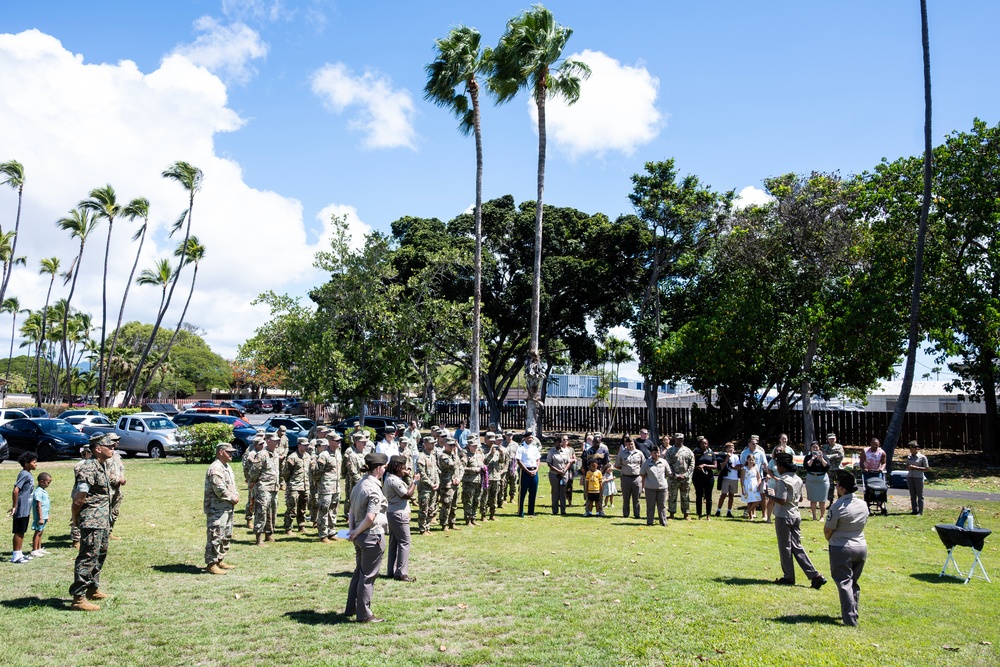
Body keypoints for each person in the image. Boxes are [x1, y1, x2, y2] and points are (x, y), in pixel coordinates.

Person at [767, 453, 826, 589]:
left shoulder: (782, 481)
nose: (777, 468)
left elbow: (782, 500)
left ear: (782, 467)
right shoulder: (798, 479)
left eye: (778, 466)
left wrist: (769, 495)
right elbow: (800, 498)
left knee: (785, 548)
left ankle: (788, 577)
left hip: (783, 516)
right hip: (795, 515)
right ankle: (815, 576)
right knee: (797, 546)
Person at [69, 435, 115, 611]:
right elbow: (79, 498)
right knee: (88, 556)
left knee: (100, 553)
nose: (112, 448)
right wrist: (75, 518)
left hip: (102, 519)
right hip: (92, 519)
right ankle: (78, 598)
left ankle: (92, 588)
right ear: (98, 448)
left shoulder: (101, 464)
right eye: (109, 446)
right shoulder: (88, 467)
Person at [344, 453, 389, 623]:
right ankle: (364, 615)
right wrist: (356, 531)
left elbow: (351, 512)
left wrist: (353, 531)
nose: (385, 470)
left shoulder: (359, 484)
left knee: (359, 572)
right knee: (368, 576)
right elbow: (370, 517)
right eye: (384, 467)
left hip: (360, 535)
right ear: (378, 468)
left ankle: (352, 608)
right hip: (371, 535)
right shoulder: (373, 488)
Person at [824, 470, 869, 626]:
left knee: (844, 583)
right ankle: (853, 612)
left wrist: (831, 540)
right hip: (861, 546)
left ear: (842, 488)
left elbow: (828, 530)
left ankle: (850, 619)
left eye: (837, 485)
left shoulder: (838, 506)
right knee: (853, 582)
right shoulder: (863, 504)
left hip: (842, 547)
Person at [204, 443, 240, 575]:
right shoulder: (215, 468)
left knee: (226, 535)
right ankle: (211, 564)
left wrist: (235, 494)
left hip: (227, 507)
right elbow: (219, 489)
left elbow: (231, 485)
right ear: (220, 452)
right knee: (216, 535)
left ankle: (220, 559)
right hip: (217, 508)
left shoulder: (226, 466)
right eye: (228, 452)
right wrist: (232, 497)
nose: (231, 454)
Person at [383, 455, 417, 582]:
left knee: (394, 543)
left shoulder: (389, 478)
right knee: (404, 542)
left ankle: (391, 571)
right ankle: (401, 573)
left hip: (392, 513)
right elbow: (407, 494)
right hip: (399, 514)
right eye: (403, 468)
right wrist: (415, 482)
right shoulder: (394, 481)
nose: (405, 470)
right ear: (397, 467)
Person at [250, 432, 280, 545]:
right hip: (263, 487)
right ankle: (259, 537)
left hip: (274, 487)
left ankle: (269, 533)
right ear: (268, 441)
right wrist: (254, 482)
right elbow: (254, 471)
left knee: (272, 511)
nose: (277, 442)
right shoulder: (262, 454)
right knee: (261, 511)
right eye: (275, 440)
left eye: (278, 440)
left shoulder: (276, 453)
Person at [9, 452, 37, 563]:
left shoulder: (28, 474)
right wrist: (15, 506)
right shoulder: (24, 474)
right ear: (26, 464)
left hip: (26, 508)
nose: (36, 464)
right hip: (21, 508)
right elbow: (15, 490)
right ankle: (15, 555)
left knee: (22, 531)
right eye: (34, 462)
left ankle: (20, 553)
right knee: (18, 531)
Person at [316, 431, 343, 542]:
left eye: (340, 440)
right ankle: (323, 534)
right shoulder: (324, 455)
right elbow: (316, 472)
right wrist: (320, 484)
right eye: (337, 441)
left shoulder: (338, 453)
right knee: (324, 510)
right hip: (326, 488)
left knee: (333, 510)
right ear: (330, 441)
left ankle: (331, 532)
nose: (339, 442)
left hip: (336, 487)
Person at [763, 434, 794, 524]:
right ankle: (768, 518)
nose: (779, 452)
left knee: (783, 499)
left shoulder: (785, 461)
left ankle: (781, 516)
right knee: (771, 500)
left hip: (784, 482)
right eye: (777, 451)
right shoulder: (772, 461)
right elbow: (769, 470)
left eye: (780, 451)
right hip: (773, 482)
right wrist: (774, 477)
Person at [282, 438, 311, 534]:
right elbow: (286, 473)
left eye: (307, 445)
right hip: (294, 486)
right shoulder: (292, 457)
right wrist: (289, 483)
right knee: (292, 508)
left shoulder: (308, 456)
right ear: (299, 445)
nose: (306, 447)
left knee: (302, 508)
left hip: (305, 486)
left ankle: (301, 525)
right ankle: (288, 527)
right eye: (304, 445)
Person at [665, 433, 694, 520]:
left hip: (685, 479)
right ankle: (671, 514)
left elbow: (692, 464)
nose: (680, 440)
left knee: (685, 497)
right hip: (673, 478)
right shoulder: (670, 451)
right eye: (678, 439)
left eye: (681, 439)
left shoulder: (688, 451)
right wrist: (675, 475)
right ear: (675, 439)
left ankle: (686, 514)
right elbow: (668, 464)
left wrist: (686, 475)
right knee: (672, 496)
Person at [639, 447, 671, 526]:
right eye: (655, 453)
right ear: (651, 453)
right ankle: (650, 522)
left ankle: (663, 522)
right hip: (650, 488)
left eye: (658, 452)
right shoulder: (646, 462)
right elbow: (642, 474)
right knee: (650, 505)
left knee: (662, 505)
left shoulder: (664, 462)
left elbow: (668, 473)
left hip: (662, 487)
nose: (657, 454)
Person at [615, 436, 644, 520]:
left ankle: (637, 514)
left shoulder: (639, 453)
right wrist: (624, 469)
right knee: (626, 497)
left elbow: (643, 464)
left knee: (637, 497)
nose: (630, 446)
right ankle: (625, 514)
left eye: (632, 444)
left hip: (637, 477)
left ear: (634, 444)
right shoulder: (621, 453)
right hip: (625, 477)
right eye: (628, 444)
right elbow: (617, 465)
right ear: (626, 444)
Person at [342, 432, 368, 523]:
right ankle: (351, 519)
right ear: (357, 442)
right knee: (354, 502)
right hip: (356, 484)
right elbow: (353, 472)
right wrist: (362, 482)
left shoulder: (365, 454)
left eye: (365, 442)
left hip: (365, 484)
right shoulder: (352, 456)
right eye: (363, 442)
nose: (365, 444)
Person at [416, 436, 440, 534]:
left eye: (434, 443)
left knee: (431, 509)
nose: (433, 445)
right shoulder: (422, 457)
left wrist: (437, 482)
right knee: (424, 509)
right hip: (425, 488)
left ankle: (427, 527)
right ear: (425, 444)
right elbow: (422, 474)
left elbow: (436, 471)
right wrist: (431, 484)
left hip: (433, 488)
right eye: (431, 443)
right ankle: (422, 529)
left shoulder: (433, 456)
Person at [70, 446, 93, 549]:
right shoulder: (81, 464)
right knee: (77, 516)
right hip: (79, 494)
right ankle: (76, 540)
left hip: (90, 494)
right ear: (86, 453)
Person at [437, 438, 461, 530]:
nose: (452, 447)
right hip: (447, 484)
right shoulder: (443, 456)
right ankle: (444, 524)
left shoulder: (454, 455)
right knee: (446, 504)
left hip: (455, 483)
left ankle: (452, 522)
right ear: (445, 445)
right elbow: (452, 464)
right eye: (450, 445)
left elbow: (461, 467)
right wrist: (456, 454)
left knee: (454, 505)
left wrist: (458, 478)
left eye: (453, 445)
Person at [104, 433, 125, 540]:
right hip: (107, 489)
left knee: (114, 511)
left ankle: (109, 532)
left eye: (117, 440)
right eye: (114, 440)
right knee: (104, 512)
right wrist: (117, 479)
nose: (117, 442)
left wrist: (122, 477)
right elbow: (105, 473)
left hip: (117, 488)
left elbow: (120, 468)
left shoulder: (116, 454)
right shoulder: (104, 455)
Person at [547, 435, 574, 516]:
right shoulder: (551, 451)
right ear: (555, 443)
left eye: (560, 442)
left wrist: (564, 470)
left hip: (564, 474)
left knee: (563, 492)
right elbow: (549, 463)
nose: (559, 444)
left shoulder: (566, 451)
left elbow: (568, 462)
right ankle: (555, 510)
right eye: (558, 442)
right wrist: (558, 471)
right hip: (554, 474)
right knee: (555, 492)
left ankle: (563, 510)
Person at [460, 437, 485, 525]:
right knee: (468, 501)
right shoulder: (465, 455)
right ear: (469, 446)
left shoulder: (479, 455)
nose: (475, 448)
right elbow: (462, 468)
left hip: (479, 481)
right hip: (469, 481)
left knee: (476, 500)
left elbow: (483, 463)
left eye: (476, 446)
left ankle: (473, 518)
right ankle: (468, 519)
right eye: (473, 446)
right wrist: (473, 469)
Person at [517, 430, 542, 517]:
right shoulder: (521, 448)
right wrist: (527, 471)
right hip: (525, 471)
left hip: (534, 471)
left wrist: (536, 470)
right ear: (525, 438)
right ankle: (520, 512)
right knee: (523, 492)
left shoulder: (534, 447)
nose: (531, 439)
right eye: (529, 437)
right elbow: (519, 461)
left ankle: (531, 511)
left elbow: (538, 460)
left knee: (533, 491)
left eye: (532, 438)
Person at [803, 442, 831, 520]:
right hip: (811, 479)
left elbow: (827, 466)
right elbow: (806, 466)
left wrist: (821, 458)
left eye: (816, 447)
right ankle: (814, 516)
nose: (815, 449)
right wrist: (812, 458)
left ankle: (822, 516)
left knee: (822, 500)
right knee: (813, 499)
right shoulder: (808, 457)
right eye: (813, 447)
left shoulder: (824, 456)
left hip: (822, 480)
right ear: (811, 448)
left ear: (819, 448)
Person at [243, 434, 264, 529]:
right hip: (253, 481)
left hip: (261, 481)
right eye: (260, 444)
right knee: (251, 500)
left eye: (263, 443)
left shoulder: (263, 453)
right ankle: (249, 519)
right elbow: (247, 469)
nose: (262, 445)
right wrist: (249, 479)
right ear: (255, 445)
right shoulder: (252, 454)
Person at [483, 432, 505, 520]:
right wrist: (491, 454)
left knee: (494, 497)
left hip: (495, 477)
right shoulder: (482, 449)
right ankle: (483, 515)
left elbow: (501, 461)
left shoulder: (496, 449)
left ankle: (492, 514)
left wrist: (501, 454)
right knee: (485, 497)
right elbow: (484, 462)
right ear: (485, 440)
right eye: (490, 440)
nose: (492, 442)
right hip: (486, 477)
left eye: (493, 441)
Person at [692, 437, 716, 520]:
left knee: (708, 496)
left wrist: (705, 465)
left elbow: (715, 466)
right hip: (697, 477)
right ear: (700, 444)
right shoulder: (696, 453)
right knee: (699, 495)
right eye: (702, 443)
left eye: (705, 443)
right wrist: (698, 467)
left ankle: (708, 515)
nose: (704, 445)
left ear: (707, 444)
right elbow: (691, 464)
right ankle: (699, 514)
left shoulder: (711, 453)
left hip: (708, 477)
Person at [715, 442, 740, 518]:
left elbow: (739, 467)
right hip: (726, 478)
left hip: (734, 478)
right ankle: (718, 510)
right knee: (724, 494)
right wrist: (727, 458)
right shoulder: (723, 456)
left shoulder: (736, 457)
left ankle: (729, 511)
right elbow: (721, 466)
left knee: (731, 495)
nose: (732, 449)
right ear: (726, 449)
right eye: (730, 447)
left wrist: (733, 467)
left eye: (733, 447)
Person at [30, 472, 52, 558]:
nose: (49, 484)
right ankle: (34, 550)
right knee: (37, 532)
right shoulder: (38, 492)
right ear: (42, 481)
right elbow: (39, 505)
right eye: (48, 482)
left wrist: (47, 515)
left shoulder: (43, 491)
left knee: (41, 531)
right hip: (40, 516)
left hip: (44, 515)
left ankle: (39, 548)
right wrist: (41, 518)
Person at [904, 440, 929, 515]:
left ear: (916, 449)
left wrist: (915, 467)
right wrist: (908, 467)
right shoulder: (909, 457)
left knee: (919, 495)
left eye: (912, 449)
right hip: (910, 477)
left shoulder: (922, 457)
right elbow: (906, 466)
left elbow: (926, 468)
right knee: (912, 495)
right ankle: (914, 510)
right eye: (910, 449)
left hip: (918, 477)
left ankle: (920, 511)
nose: (911, 451)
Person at [823, 433, 845, 504]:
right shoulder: (824, 447)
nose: (832, 440)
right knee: (830, 486)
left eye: (833, 439)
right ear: (828, 440)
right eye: (830, 439)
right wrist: (835, 455)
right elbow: (824, 457)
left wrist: (830, 456)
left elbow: (840, 457)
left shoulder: (839, 447)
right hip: (829, 469)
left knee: (840, 485)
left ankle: (840, 501)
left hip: (838, 469)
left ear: (836, 439)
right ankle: (830, 501)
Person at [740, 454, 763, 521]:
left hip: (754, 485)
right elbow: (742, 479)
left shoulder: (756, 468)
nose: (751, 461)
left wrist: (759, 485)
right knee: (749, 501)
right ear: (747, 460)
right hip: (747, 485)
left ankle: (748, 510)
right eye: (750, 460)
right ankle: (751, 516)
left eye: (752, 460)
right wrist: (742, 488)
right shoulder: (744, 468)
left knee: (758, 500)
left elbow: (759, 478)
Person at [503, 430, 519, 504]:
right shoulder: (502, 444)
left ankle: (512, 497)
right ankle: (504, 497)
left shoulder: (516, 445)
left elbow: (518, 455)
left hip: (513, 465)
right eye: (508, 435)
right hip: (505, 465)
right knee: (504, 481)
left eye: (511, 435)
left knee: (513, 482)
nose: (510, 436)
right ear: (505, 436)